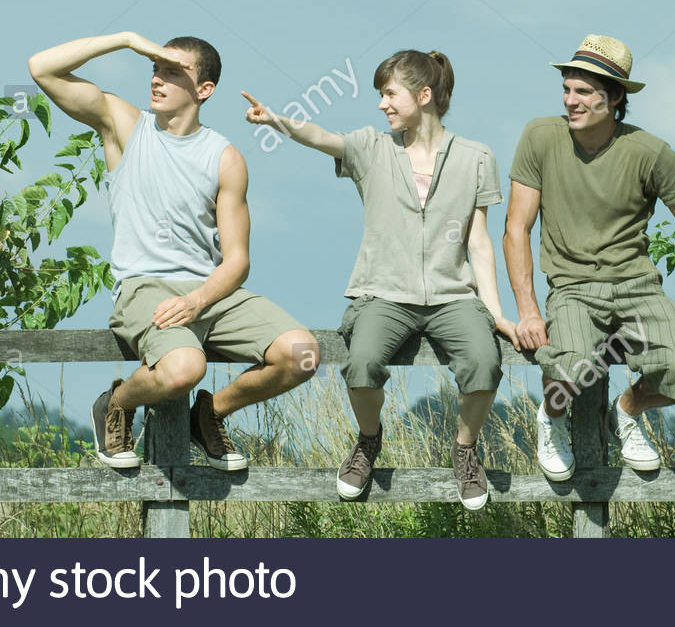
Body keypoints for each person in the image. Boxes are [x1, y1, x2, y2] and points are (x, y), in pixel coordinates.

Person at [27, 31, 319, 470]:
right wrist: (126, 40)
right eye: (155, 69)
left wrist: (198, 299)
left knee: (304, 354)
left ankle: (210, 414)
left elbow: (237, 260)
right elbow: (41, 67)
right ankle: (116, 404)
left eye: (172, 72)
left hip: (208, 291)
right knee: (184, 368)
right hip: (146, 288)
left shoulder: (225, 158)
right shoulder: (124, 125)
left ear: (204, 90)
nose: (157, 80)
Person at [243, 50, 517, 510]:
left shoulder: (475, 157)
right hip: (383, 293)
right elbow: (322, 137)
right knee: (363, 361)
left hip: (452, 296)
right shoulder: (373, 148)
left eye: (389, 93)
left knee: (484, 362)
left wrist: (495, 312)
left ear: (423, 95)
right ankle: (369, 440)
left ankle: (465, 450)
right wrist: (276, 121)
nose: (381, 104)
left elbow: (479, 242)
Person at [502, 34, 675, 481]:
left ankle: (626, 412)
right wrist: (527, 311)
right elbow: (516, 228)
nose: (571, 100)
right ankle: (551, 419)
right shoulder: (539, 137)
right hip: (572, 288)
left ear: (615, 97)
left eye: (583, 91)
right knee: (568, 365)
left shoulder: (649, 152)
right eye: (567, 88)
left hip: (637, 287)